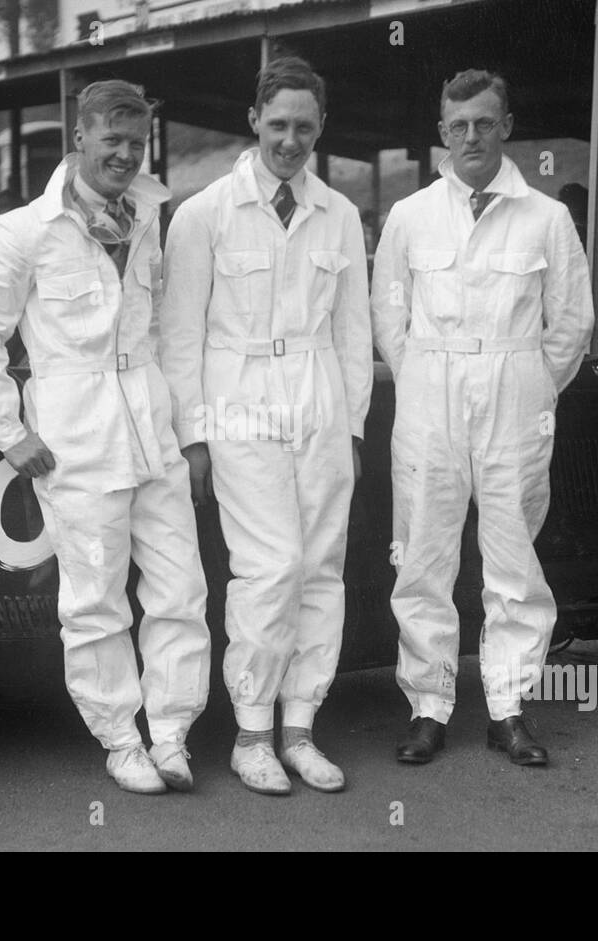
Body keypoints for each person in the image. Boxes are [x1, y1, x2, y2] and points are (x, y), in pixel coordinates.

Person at [0, 80, 211, 795]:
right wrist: (9, 431)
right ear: (81, 139)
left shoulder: (151, 215)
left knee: (181, 589)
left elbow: (162, 331)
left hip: (150, 427)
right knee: (95, 600)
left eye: (137, 143)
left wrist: (187, 433)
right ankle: (122, 739)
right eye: (112, 141)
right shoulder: (26, 230)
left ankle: (174, 731)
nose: (125, 155)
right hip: (77, 436)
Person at [161, 56, 372, 796]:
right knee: (270, 564)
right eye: (277, 123)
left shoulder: (339, 215)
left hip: (319, 396)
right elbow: (179, 336)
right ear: (253, 121)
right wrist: (192, 436)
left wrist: (351, 425)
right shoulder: (203, 213)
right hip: (237, 397)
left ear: (320, 129)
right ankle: (251, 731)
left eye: (304, 127)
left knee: (321, 568)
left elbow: (354, 331)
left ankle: (300, 727)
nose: (290, 139)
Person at [371, 69, 593, 767]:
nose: (472, 135)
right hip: (430, 393)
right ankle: (428, 707)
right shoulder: (410, 216)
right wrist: (426, 378)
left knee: (514, 562)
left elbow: (572, 324)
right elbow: (388, 316)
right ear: (442, 133)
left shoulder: (547, 218)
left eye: (484, 122)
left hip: (514, 396)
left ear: (507, 126)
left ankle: (508, 709)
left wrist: (529, 387)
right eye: (458, 124)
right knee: (424, 558)